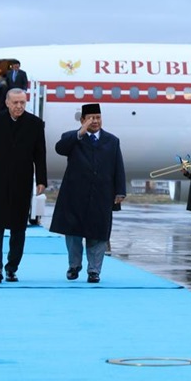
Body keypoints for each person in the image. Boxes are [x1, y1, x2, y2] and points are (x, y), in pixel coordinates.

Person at [0, 88, 48, 283]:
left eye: (22, 102)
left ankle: (12, 268)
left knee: (18, 228)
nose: (19, 106)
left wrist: (41, 180)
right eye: (15, 102)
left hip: (21, 182)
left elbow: (40, 154)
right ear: (7, 102)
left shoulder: (35, 124)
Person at [49, 103, 126, 283]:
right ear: (82, 120)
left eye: (98, 117)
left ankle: (94, 270)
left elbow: (118, 167)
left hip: (101, 194)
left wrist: (120, 191)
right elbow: (60, 148)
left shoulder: (112, 141)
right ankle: (74, 266)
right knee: (73, 233)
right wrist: (80, 133)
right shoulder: (72, 138)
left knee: (98, 234)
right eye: (91, 118)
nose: (95, 121)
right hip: (75, 194)